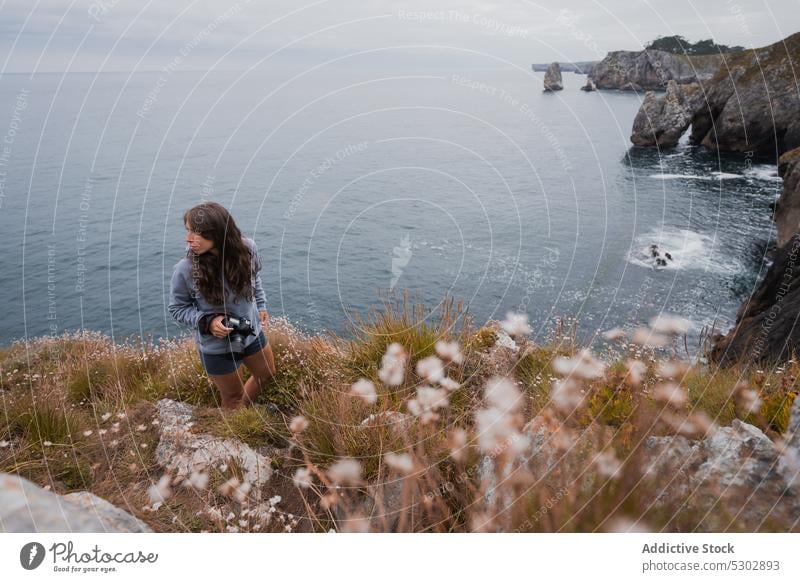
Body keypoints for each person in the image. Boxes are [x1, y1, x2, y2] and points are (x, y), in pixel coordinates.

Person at [168, 201, 276, 409]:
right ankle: (236, 430)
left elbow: (255, 277)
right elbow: (177, 308)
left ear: (216, 233)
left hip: (250, 331)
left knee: (266, 374)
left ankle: (242, 413)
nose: (188, 238)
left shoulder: (247, 249)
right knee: (232, 397)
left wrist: (261, 305)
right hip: (217, 345)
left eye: (196, 232)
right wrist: (207, 322)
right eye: (188, 230)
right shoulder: (186, 269)